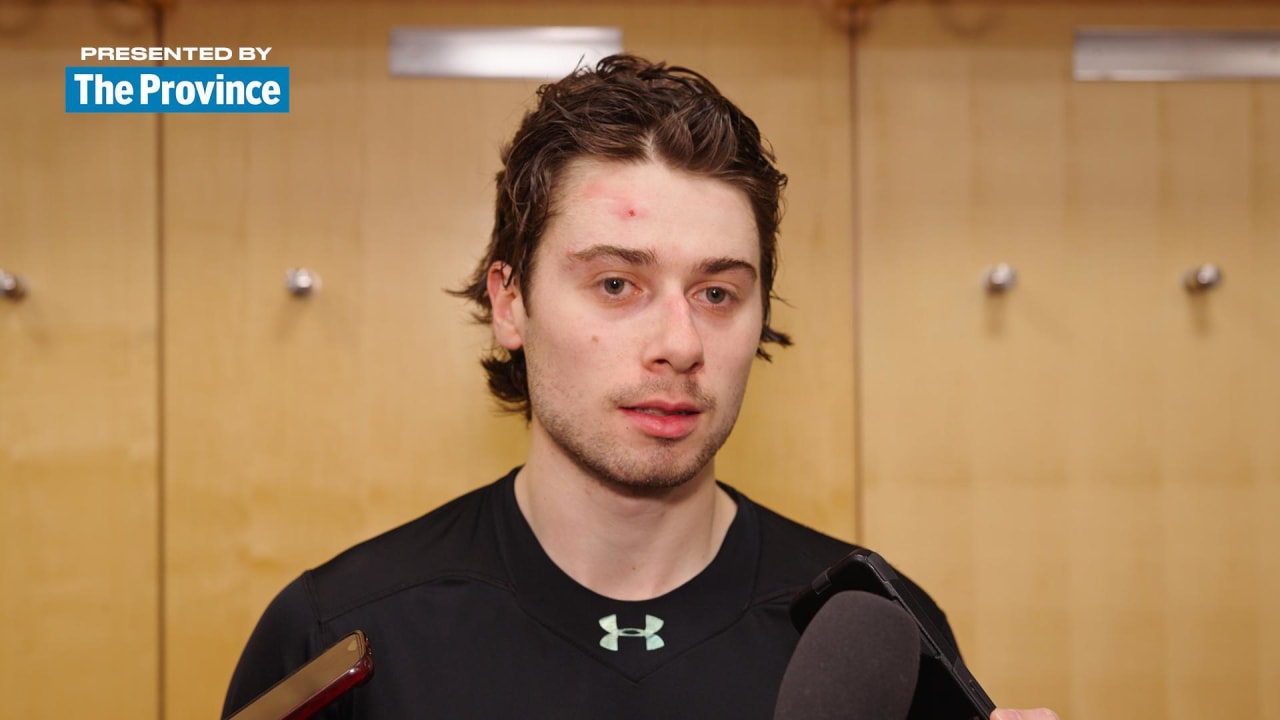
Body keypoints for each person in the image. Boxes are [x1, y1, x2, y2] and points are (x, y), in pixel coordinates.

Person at [222, 54, 1058, 720]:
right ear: (510, 302)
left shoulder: (871, 634)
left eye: (718, 293)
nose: (680, 344)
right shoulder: (341, 639)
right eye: (617, 284)